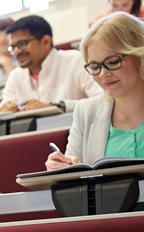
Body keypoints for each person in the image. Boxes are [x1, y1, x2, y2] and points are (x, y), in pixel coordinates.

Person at [47, 12, 144, 170]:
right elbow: (71, 176)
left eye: (113, 62)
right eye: (94, 67)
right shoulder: (86, 112)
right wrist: (61, 169)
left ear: (140, 55)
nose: (103, 74)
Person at [0, 15, 103, 114]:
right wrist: (5, 110)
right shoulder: (15, 76)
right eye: (13, 47)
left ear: (46, 42)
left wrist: (57, 107)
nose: (16, 52)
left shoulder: (76, 61)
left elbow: (103, 100)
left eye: (21, 44)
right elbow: (3, 109)